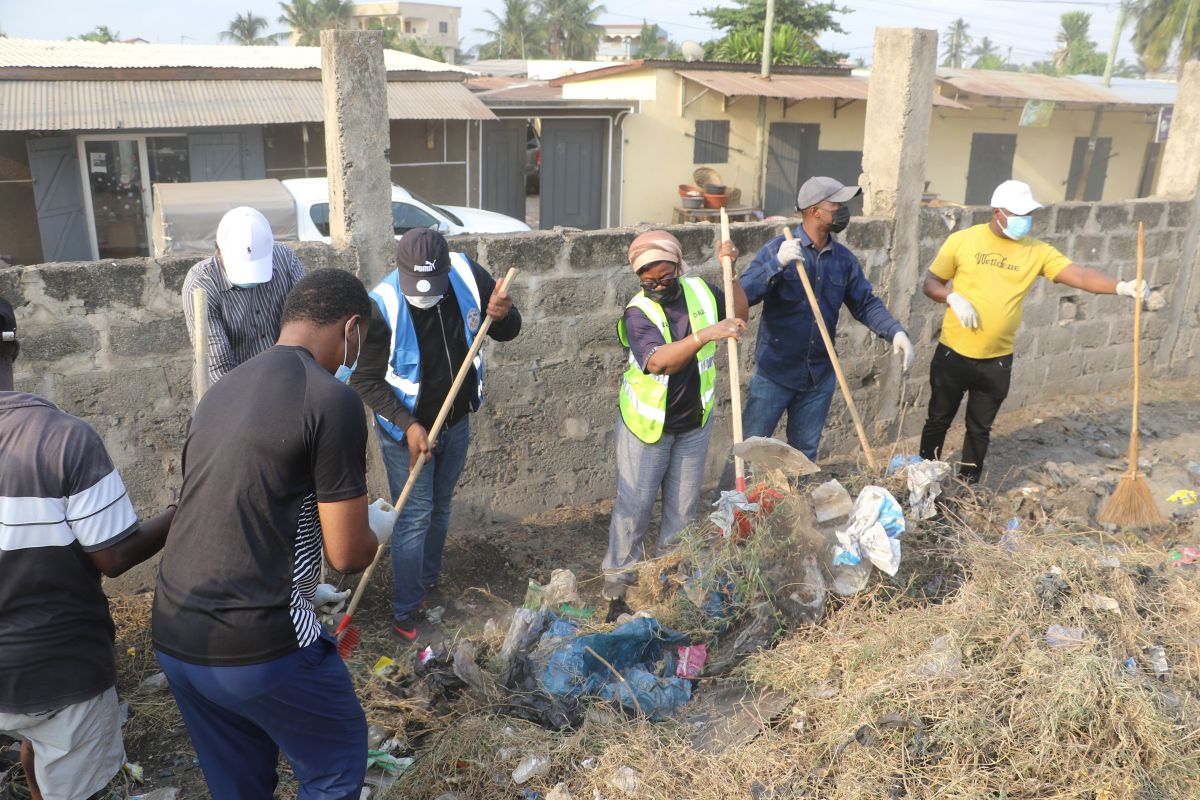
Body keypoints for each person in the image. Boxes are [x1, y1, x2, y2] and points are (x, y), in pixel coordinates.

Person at [152, 269, 397, 799]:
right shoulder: (331, 399)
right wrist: (379, 530)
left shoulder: (223, 392)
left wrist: (309, 576)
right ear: (351, 328)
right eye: (362, 340)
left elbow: (234, 508)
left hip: (177, 636)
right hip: (260, 642)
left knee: (239, 786)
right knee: (335, 762)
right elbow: (348, 553)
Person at [0, 295, 175, 800]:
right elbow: (114, 556)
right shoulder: (62, 439)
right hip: (61, 672)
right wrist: (179, 514)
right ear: (16, 350)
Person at [349, 228, 521, 645]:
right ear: (400, 271)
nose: (424, 294)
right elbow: (364, 380)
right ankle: (405, 614)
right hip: (404, 431)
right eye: (416, 287)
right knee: (413, 518)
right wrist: (408, 425)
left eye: (432, 285)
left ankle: (425, 585)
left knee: (440, 508)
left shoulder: (466, 274)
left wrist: (503, 312)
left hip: (456, 420)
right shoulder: (381, 305)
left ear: (445, 268)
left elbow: (507, 331)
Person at [918, 179, 1148, 482]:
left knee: (980, 428)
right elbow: (931, 283)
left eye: (1028, 214)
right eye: (1017, 213)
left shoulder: (1037, 252)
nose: (1024, 220)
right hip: (953, 353)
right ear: (997, 211)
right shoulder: (963, 240)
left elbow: (1078, 274)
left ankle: (968, 485)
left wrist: (1119, 286)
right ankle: (922, 476)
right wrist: (951, 296)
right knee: (938, 419)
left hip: (996, 360)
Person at [602, 231, 749, 604]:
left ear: (679, 267)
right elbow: (658, 362)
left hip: (692, 427)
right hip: (646, 428)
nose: (657, 287)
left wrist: (731, 273)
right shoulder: (638, 312)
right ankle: (617, 592)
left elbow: (739, 317)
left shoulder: (700, 290)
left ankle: (669, 588)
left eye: (665, 278)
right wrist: (705, 335)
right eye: (648, 281)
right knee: (633, 512)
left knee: (682, 515)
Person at [736, 176, 913, 463]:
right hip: (775, 372)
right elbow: (743, 295)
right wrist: (775, 265)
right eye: (836, 204)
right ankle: (732, 505)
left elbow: (865, 303)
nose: (843, 209)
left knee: (804, 455)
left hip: (818, 375)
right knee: (748, 451)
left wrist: (895, 332)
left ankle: (796, 505)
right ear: (815, 210)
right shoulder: (778, 249)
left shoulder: (843, 259)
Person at [181, 206, 306, 387]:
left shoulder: (286, 259)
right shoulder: (201, 283)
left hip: (285, 380)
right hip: (230, 390)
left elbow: (307, 324)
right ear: (218, 250)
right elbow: (218, 365)